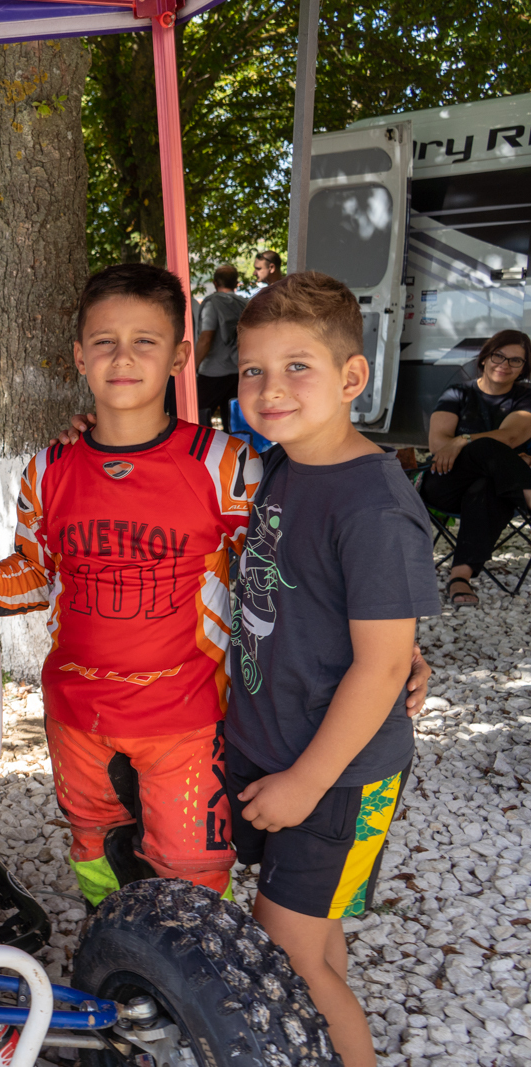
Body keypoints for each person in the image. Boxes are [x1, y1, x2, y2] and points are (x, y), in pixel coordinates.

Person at [0, 263, 260, 907]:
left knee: (192, 866)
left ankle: (187, 959)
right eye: (105, 341)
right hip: (78, 713)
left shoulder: (225, 464)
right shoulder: (48, 468)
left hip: (188, 717)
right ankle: (107, 939)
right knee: (96, 844)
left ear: (180, 357)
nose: (123, 357)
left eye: (145, 341)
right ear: (80, 356)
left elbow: (276, 585)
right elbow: (33, 577)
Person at [226, 272, 439, 1067]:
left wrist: (306, 782)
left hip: (336, 775)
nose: (271, 388)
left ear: (353, 377)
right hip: (275, 746)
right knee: (313, 940)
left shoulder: (373, 503)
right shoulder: (285, 462)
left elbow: (381, 670)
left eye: (297, 366)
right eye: (253, 369)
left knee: (289, 954)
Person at [419, 329, 531, 606]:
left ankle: (460, 577)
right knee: (488, 448)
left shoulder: (526, 398)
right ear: (484, 358)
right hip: (446, 482)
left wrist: (462, 439)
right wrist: (464, 443)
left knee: (488, 485)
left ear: (524, 368)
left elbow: (512, 436)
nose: (504, 364)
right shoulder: (458, 393)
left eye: (515, 360)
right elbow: (437, 444)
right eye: (498, 356)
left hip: (498, 489)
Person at [194, 265, 247, 430]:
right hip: (237, 369)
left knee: (197, 414)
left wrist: (192, 367)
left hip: (213, 370)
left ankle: (203, 444)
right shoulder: (245, 304)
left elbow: (206, 338)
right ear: (236, 283)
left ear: (215, 283)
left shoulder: (212, 304)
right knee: (232, 419)